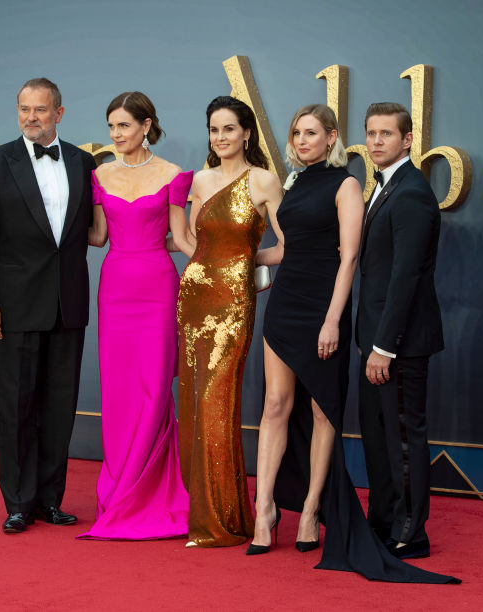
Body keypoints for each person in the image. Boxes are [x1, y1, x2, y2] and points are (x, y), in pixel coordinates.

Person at [251, 104, 457, 583]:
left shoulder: (371, 188)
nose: (302, 140)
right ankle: (274, 511)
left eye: (387, 133)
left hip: (347, 318)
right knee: (290, 408)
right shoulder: (302, 183)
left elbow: (375, 266)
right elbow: (290, 247)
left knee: (359, 422)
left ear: (331, 138)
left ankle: (366, 523)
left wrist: (346, 327)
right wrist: (233, 259)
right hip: (298, 307)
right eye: (296, 133)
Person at [0, 77, 95, 535]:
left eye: (40, 109)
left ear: (59, 113)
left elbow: (92, 230)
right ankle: (18, 503)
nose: (31, 117)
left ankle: (50, 500)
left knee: (60, 406)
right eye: (24, 109)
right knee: (16, 406)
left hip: (68, 304)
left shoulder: (82, 161)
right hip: (15, 305)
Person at [77, 92, 192, 540]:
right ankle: (122, 488)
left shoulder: (173, 175)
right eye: (111, 126)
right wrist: (47, 227)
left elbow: (182, 239)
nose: (115, 134)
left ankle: (150, 489)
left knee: (154, 386)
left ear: (146, 125)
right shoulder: (100, 174)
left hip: (158, 288)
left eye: (123, 125)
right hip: (116, 289)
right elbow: (98, 236)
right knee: (120, 388)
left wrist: (229, 268)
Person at [176, 96, 283, 547]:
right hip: (194, 298)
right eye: (214, 130)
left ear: (246, 133)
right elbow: (192, 240)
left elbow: (287, 247)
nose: (220, 137)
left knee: (217, 401)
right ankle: (207, 512)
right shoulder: (200, 180)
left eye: (228, 129)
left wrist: (244, 264)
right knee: (194, 401)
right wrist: (207, 268)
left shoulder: (264, 180)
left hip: (233, 304)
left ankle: (222, 519)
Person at [357, 102, 445, 561]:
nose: (376, 141)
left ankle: (411, 533)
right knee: (379, 437)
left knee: (404, 439)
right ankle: (384, 521)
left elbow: (405, 277)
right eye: (371, 133)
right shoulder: (385, 185)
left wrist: (383, 347)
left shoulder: (411, 192)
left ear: (407, 140)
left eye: (386, 134)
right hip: (377, 339)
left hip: (399, 344)